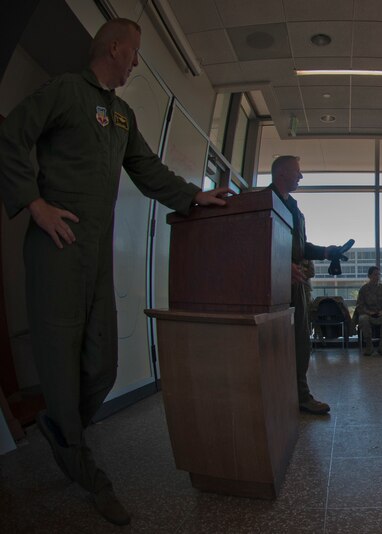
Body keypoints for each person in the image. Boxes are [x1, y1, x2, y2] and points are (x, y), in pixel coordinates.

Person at [0, 18, 231, 525]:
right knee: (59, 364)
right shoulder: (64, 91)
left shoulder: (121, 116)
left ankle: (64, 432)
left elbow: (147, 169)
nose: (134, 64)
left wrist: (195, 195)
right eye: (133, 54)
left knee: (100, 363)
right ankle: (88, 472)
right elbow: (9, 138)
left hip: (95, 253)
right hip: (55, 247)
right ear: (114, 45)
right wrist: (34, 204)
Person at [269, 155, 345, 415]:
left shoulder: (294, 208)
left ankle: (299, 396)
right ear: (282, 174)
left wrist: (327, 251)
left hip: (295, 283)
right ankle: (280, 396)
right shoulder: (263, 202)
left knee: (301, 340)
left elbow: (300, 248)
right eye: (297, 172)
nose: (301, 177)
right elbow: (254, 243)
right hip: (272, 286)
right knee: (274, 343)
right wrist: (278, 265)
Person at [355, 266, 382, 356]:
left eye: (378, 274)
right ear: (369, 276)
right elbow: (359, 305)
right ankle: (369, 347)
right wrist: (368, 312)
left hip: (381, 313)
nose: (377, 277)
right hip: (368, 314)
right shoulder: (363, 289)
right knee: (363, 319)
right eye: (375, 274)